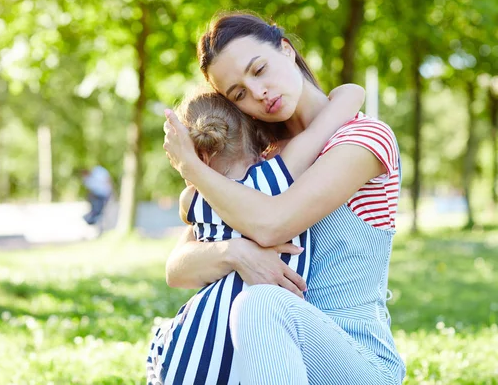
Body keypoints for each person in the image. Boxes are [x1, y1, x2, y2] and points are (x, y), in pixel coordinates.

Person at [162, 12, 406, 385]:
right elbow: (178, 267)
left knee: (259, 304)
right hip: (269, 361)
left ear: (287, 51)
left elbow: (272, 223)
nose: (258, 92)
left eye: (259, 70)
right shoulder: (258, 162)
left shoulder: (364, 138)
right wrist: (233, 253)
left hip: (356, 361)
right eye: (239, 94)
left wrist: (192, 169)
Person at [147, 85, 365, 384]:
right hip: (255, 346)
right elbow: (344, 103)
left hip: (190, 349)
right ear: (256, 133)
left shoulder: (194, 200)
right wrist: (349, 91)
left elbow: (188, 216)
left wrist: (191, 167)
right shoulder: (281, 175)